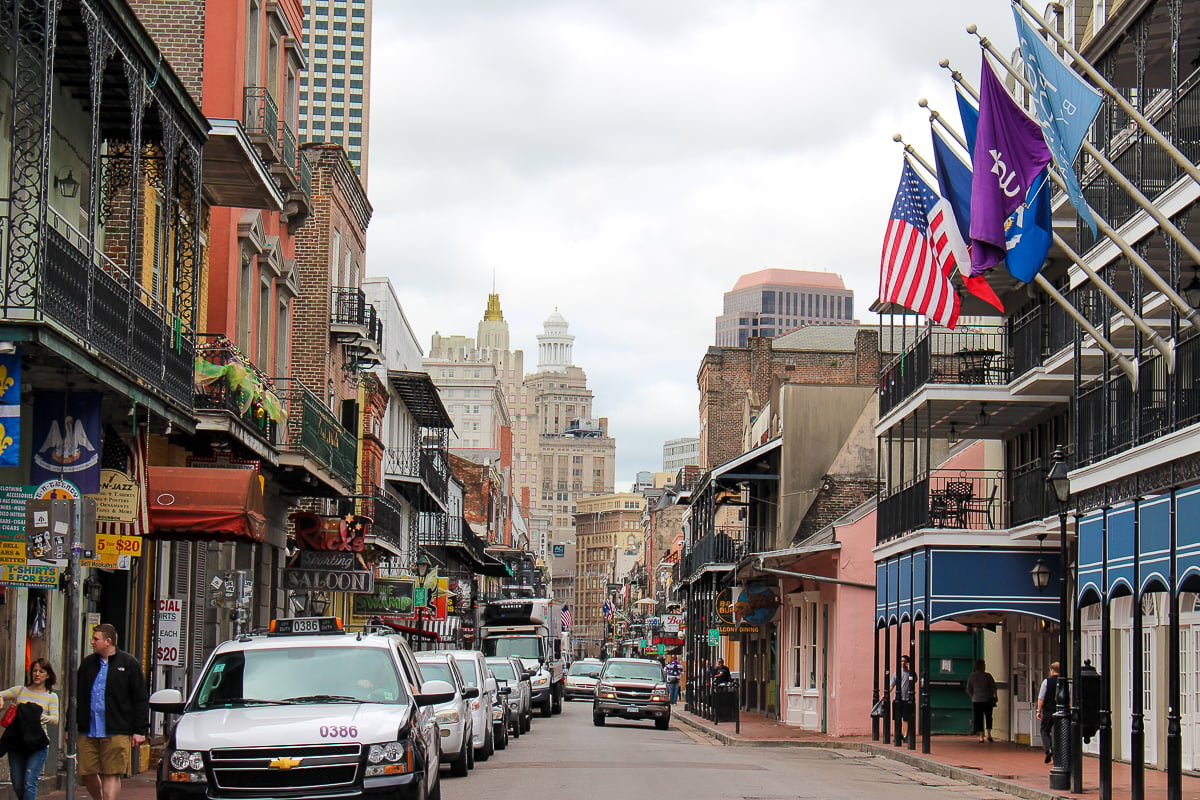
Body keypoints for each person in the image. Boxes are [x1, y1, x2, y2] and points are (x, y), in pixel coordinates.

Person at [76, 624, 149, 800]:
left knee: (111, 773)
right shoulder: (87, 664)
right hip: (89, 729)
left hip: (117, 729)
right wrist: (69, 726)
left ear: (108, 641)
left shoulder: (129, 663)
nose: (92, 642)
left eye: (96, 639)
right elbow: (77, 696)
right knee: (87, 772)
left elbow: (140, 698)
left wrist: (139, 730)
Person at [1, 659, 59, 800]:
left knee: (29, 782)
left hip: (37, 744)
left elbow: (55, 720)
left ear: (48, 675)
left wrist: (38, 717)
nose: (37, 674)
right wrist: (1, 698)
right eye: (34, 671)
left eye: (41, 671)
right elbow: (2, 694)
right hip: (17, 742)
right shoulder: (20, 690)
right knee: (18, 784)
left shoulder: (51, 696)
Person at [965, 659, 998, 742]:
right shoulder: (988, 676)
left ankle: (981, 736)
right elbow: (994, 687)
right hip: (987, 699)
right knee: (988, 717)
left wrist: (972, 697)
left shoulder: (972, 676)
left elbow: (968, 689)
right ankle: (989, 734)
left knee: (978, 718)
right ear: (983, 666)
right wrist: (996, 696)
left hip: (976, 700)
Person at [890, 655, 917, 743]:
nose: (903, 663)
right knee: (897, 718)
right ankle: (898, 735)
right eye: (901, 661)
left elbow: (915, 680)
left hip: (907, 699)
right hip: (897, 699)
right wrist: (886, 693)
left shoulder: (911, 674)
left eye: (904, 661)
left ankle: (905, 734)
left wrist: (911, 669)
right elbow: (892, 685)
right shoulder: (897, 673)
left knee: (906, 718)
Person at [1037, 662, 1061, 764]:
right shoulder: (1064, 682)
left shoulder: (1047, 682)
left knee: (1044, 730)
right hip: (1060, 711)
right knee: (1059, 733)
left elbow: (1041, 697)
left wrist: (1039, 710)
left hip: (1048, 711)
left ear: (1052, 670)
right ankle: (1057, 755)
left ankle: (1048, 749)